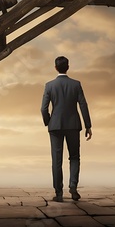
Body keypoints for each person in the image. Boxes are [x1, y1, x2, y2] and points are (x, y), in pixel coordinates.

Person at [41, 56, 92, 202]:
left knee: (56, 160)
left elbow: (43, 109)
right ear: (68, 67)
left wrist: (49, 122)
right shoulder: (76, 84)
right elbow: (83, 105)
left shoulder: (49, 85)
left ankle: (58, 193)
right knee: (74, 157)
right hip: (73, 125)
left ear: (55, 67)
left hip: (55, 126)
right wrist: (88, 125)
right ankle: (73, 187)